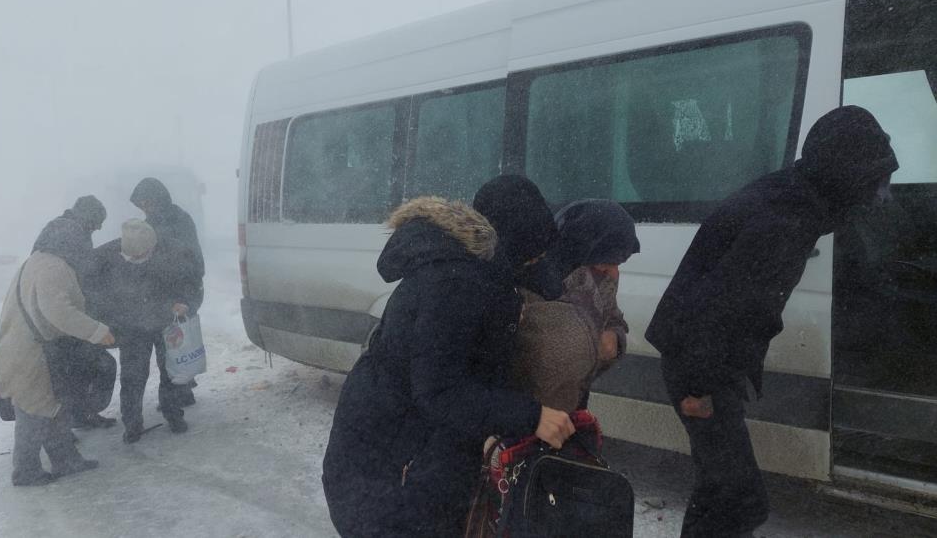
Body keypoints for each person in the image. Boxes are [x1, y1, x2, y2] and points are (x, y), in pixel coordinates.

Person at [644, 106, 899, 538]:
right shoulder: (784, 223)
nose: (884, 196)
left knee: (720, 490)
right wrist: (698, 389)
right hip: (699, 364)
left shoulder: (794, 196)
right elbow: (716, 308)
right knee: (740, 500)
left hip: (703, 358)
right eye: (877, 183)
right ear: (846, 176)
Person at [322, 188, 575, 536]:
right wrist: (532, 416)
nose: (536, 268)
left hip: (416, 459)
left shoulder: (483, 274)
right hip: (389, 471)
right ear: (512, 248)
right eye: (533, 259)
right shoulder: (454, 285)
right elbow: (440, 390)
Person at [0, 218, 115, 486]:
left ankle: (66, 460)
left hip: (24, 350)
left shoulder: (36, 262)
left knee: (54, 407)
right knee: (33, 414)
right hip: (32, 355)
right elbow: (58, 310)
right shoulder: (53, 267)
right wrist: (97, 331)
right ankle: (26, 471)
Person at [514, 199, 640, 412]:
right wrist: (586, 344)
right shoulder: (532, 286)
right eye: (606, 264)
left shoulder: (598, 281)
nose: (614, 273)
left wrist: (615, 338)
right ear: (583, 254)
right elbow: (537, 361)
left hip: (571, 411)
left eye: (619, 264)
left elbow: (614, 317)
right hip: (532, 415)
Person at [86, 219, 199, 441]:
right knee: (133, 376)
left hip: (166, 322)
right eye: (135, 257)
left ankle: (173, 414)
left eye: (145, 254)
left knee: (171, 371)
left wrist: (185, 302)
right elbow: (93, 294)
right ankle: (132, 424)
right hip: (130, 327)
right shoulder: (105, 257)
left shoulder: (170, 252)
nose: (141, 258)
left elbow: (189, 283)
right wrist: (108, 321)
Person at [32, 198, 118, 430]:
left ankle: (78, 417)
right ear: (88, 216)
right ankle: (71, 423)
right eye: (98, 222)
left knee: (77, 374)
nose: (99, 227)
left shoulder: (61, 227)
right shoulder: (70, 232)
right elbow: (86, 271)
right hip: (63, 320)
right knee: (91, 369)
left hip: (57, 317)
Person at [130, 178, 204, 408]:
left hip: (179, 291)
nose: (144, 208)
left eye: (146, 202)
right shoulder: (155, 222)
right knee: (176, 346)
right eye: (140, 204)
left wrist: (186, 298)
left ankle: (174, 398)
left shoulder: (177, 221)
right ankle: (182, 391)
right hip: (166, 293)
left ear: (157, 198)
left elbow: (190, 260)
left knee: (171, 348)